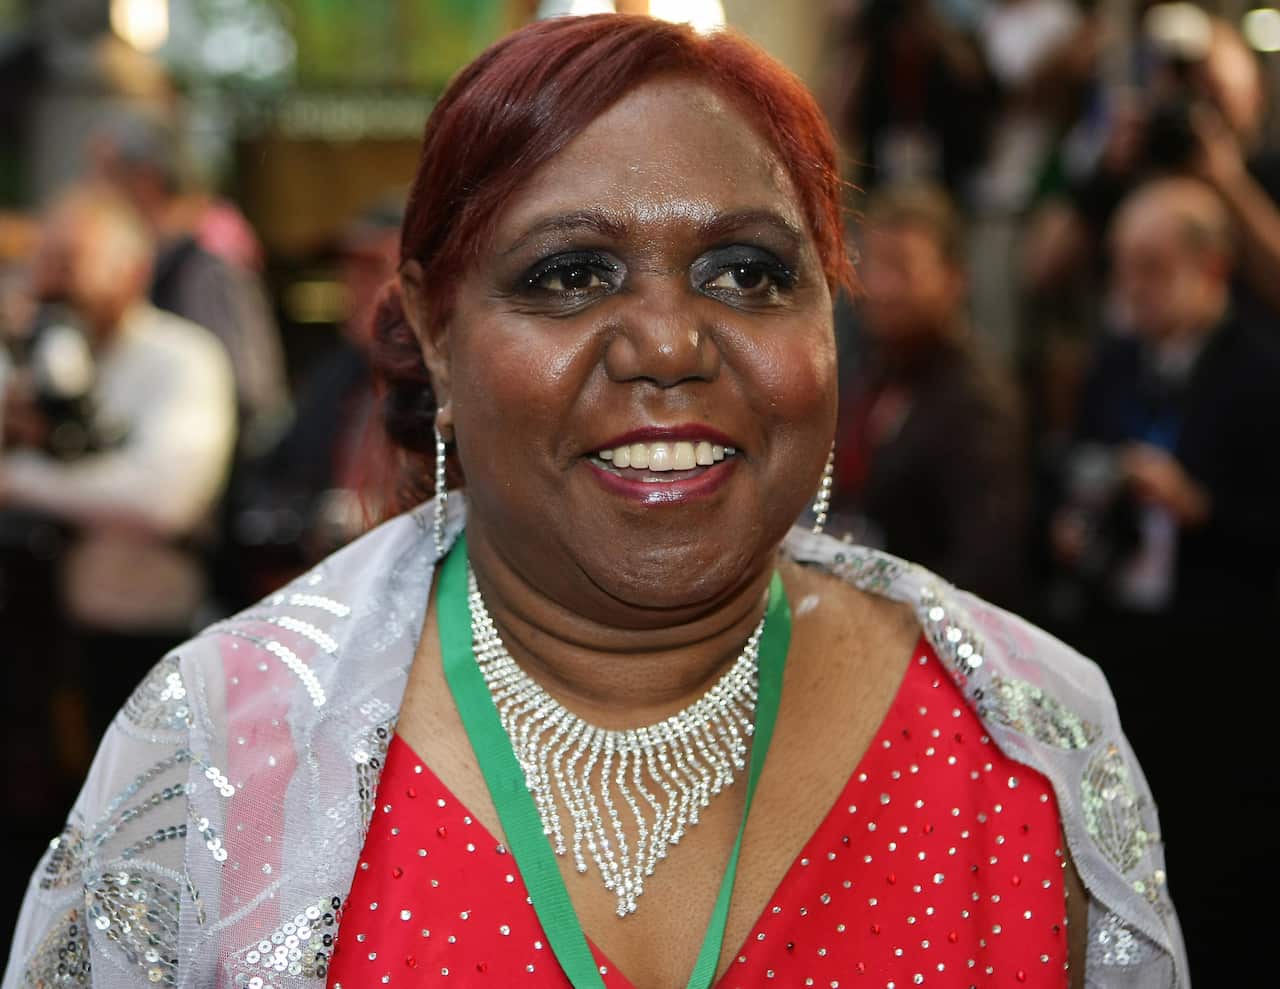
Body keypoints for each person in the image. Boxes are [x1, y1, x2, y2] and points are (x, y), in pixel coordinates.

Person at [3, 15, 1185, 988]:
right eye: (569, 274)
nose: (669, 341)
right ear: (434, 327)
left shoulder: (1027, 744)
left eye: (748, 272)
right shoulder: (224, 746)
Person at [1050, 176, 1280, 980]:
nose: (1130, 288)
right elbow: (1076, 464)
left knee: (1216, 868)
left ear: (1212, 268)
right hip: (1126, 639)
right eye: (1121, 267)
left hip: (1228, 664)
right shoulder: (1116, 362)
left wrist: (1198, 507)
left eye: (1151, 267)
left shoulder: (1260, 372)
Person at [0, 184, 237, 741]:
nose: (51, 282)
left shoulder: (183, 358)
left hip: (147, 642)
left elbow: (166, 501)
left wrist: (18, 480)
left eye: (69, 263)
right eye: (44, 261)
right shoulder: (41, 352)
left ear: (131, 272)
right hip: (40, 644)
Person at [831, 185, 1028, 607]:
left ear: (955, 279)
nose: (879, 287)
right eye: (871, 265)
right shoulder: (865, 367)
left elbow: (985, 565)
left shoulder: (977, 401)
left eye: (900, 268)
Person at [90, 110, 289, 445]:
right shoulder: (174, 250)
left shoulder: (209, 257)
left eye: (105, 174)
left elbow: (249, 389)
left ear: (145, 180)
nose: (93, 190)